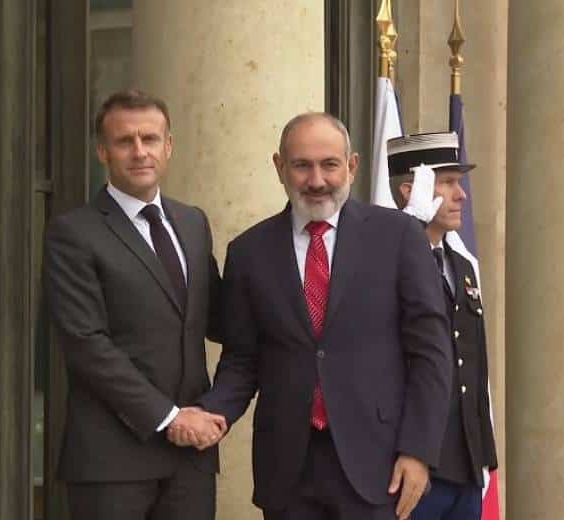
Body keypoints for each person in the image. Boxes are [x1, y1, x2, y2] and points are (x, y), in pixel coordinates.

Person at [193, 112, 452, 520]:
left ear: (351, 166)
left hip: (378, 466)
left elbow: (431, 354)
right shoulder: (247, 252)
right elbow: (242, 359)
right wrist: (212, 412)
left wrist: (418, 450)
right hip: (288, 469)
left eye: (329, 164)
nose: (316, 180)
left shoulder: (399, 237)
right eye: (301, 165)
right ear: (279, 167)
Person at [43, 89, 224, 520]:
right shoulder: (73, 233)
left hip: (191, 462)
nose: (140, 151)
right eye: (125, 141)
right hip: (112, 461)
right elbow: (87, 344)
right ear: (102, 151)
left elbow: (220, 319)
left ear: (169, 146)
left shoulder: (192, 222)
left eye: (150, 138)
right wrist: (168, 417)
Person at [388, 132, 498, 520]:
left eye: (459, 182)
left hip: (464, 462)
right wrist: (410, 230)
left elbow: (473, 360)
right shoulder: (387, 262)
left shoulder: (461, 265)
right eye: (447, 182)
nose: (461, 195)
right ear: (409, 191)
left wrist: (483, 455)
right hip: (415, 465)